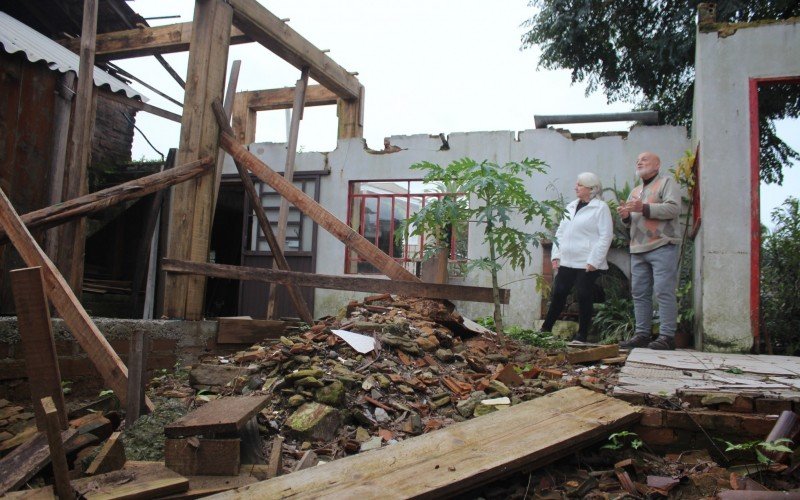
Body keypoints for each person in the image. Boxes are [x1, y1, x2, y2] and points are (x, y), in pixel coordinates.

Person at [618, 152, 682, 350]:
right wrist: (626, 216)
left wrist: (643, 208)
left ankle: (667, 336)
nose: (639, 162)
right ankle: (642, 334)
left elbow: (674, 209)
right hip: (638, 247)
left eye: (644, 159)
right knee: (639, 293)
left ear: (657, 165)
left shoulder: (666, 182)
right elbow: (631, 223)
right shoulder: (635, 191)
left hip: (662, 244)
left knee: (663, 291)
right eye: (637, 160)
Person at [541, 172, 613, 343]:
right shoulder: (571, 206)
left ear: (591, 189)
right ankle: (545, 330)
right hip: (567, 260)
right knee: (558, 293)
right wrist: (556, 254)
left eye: (580, 185)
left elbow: (606, 236)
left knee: (583, 295)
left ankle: (582, 335)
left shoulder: (601, 208)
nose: (576, 187)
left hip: (587, 262)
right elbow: (560, 232)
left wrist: (594, 261)